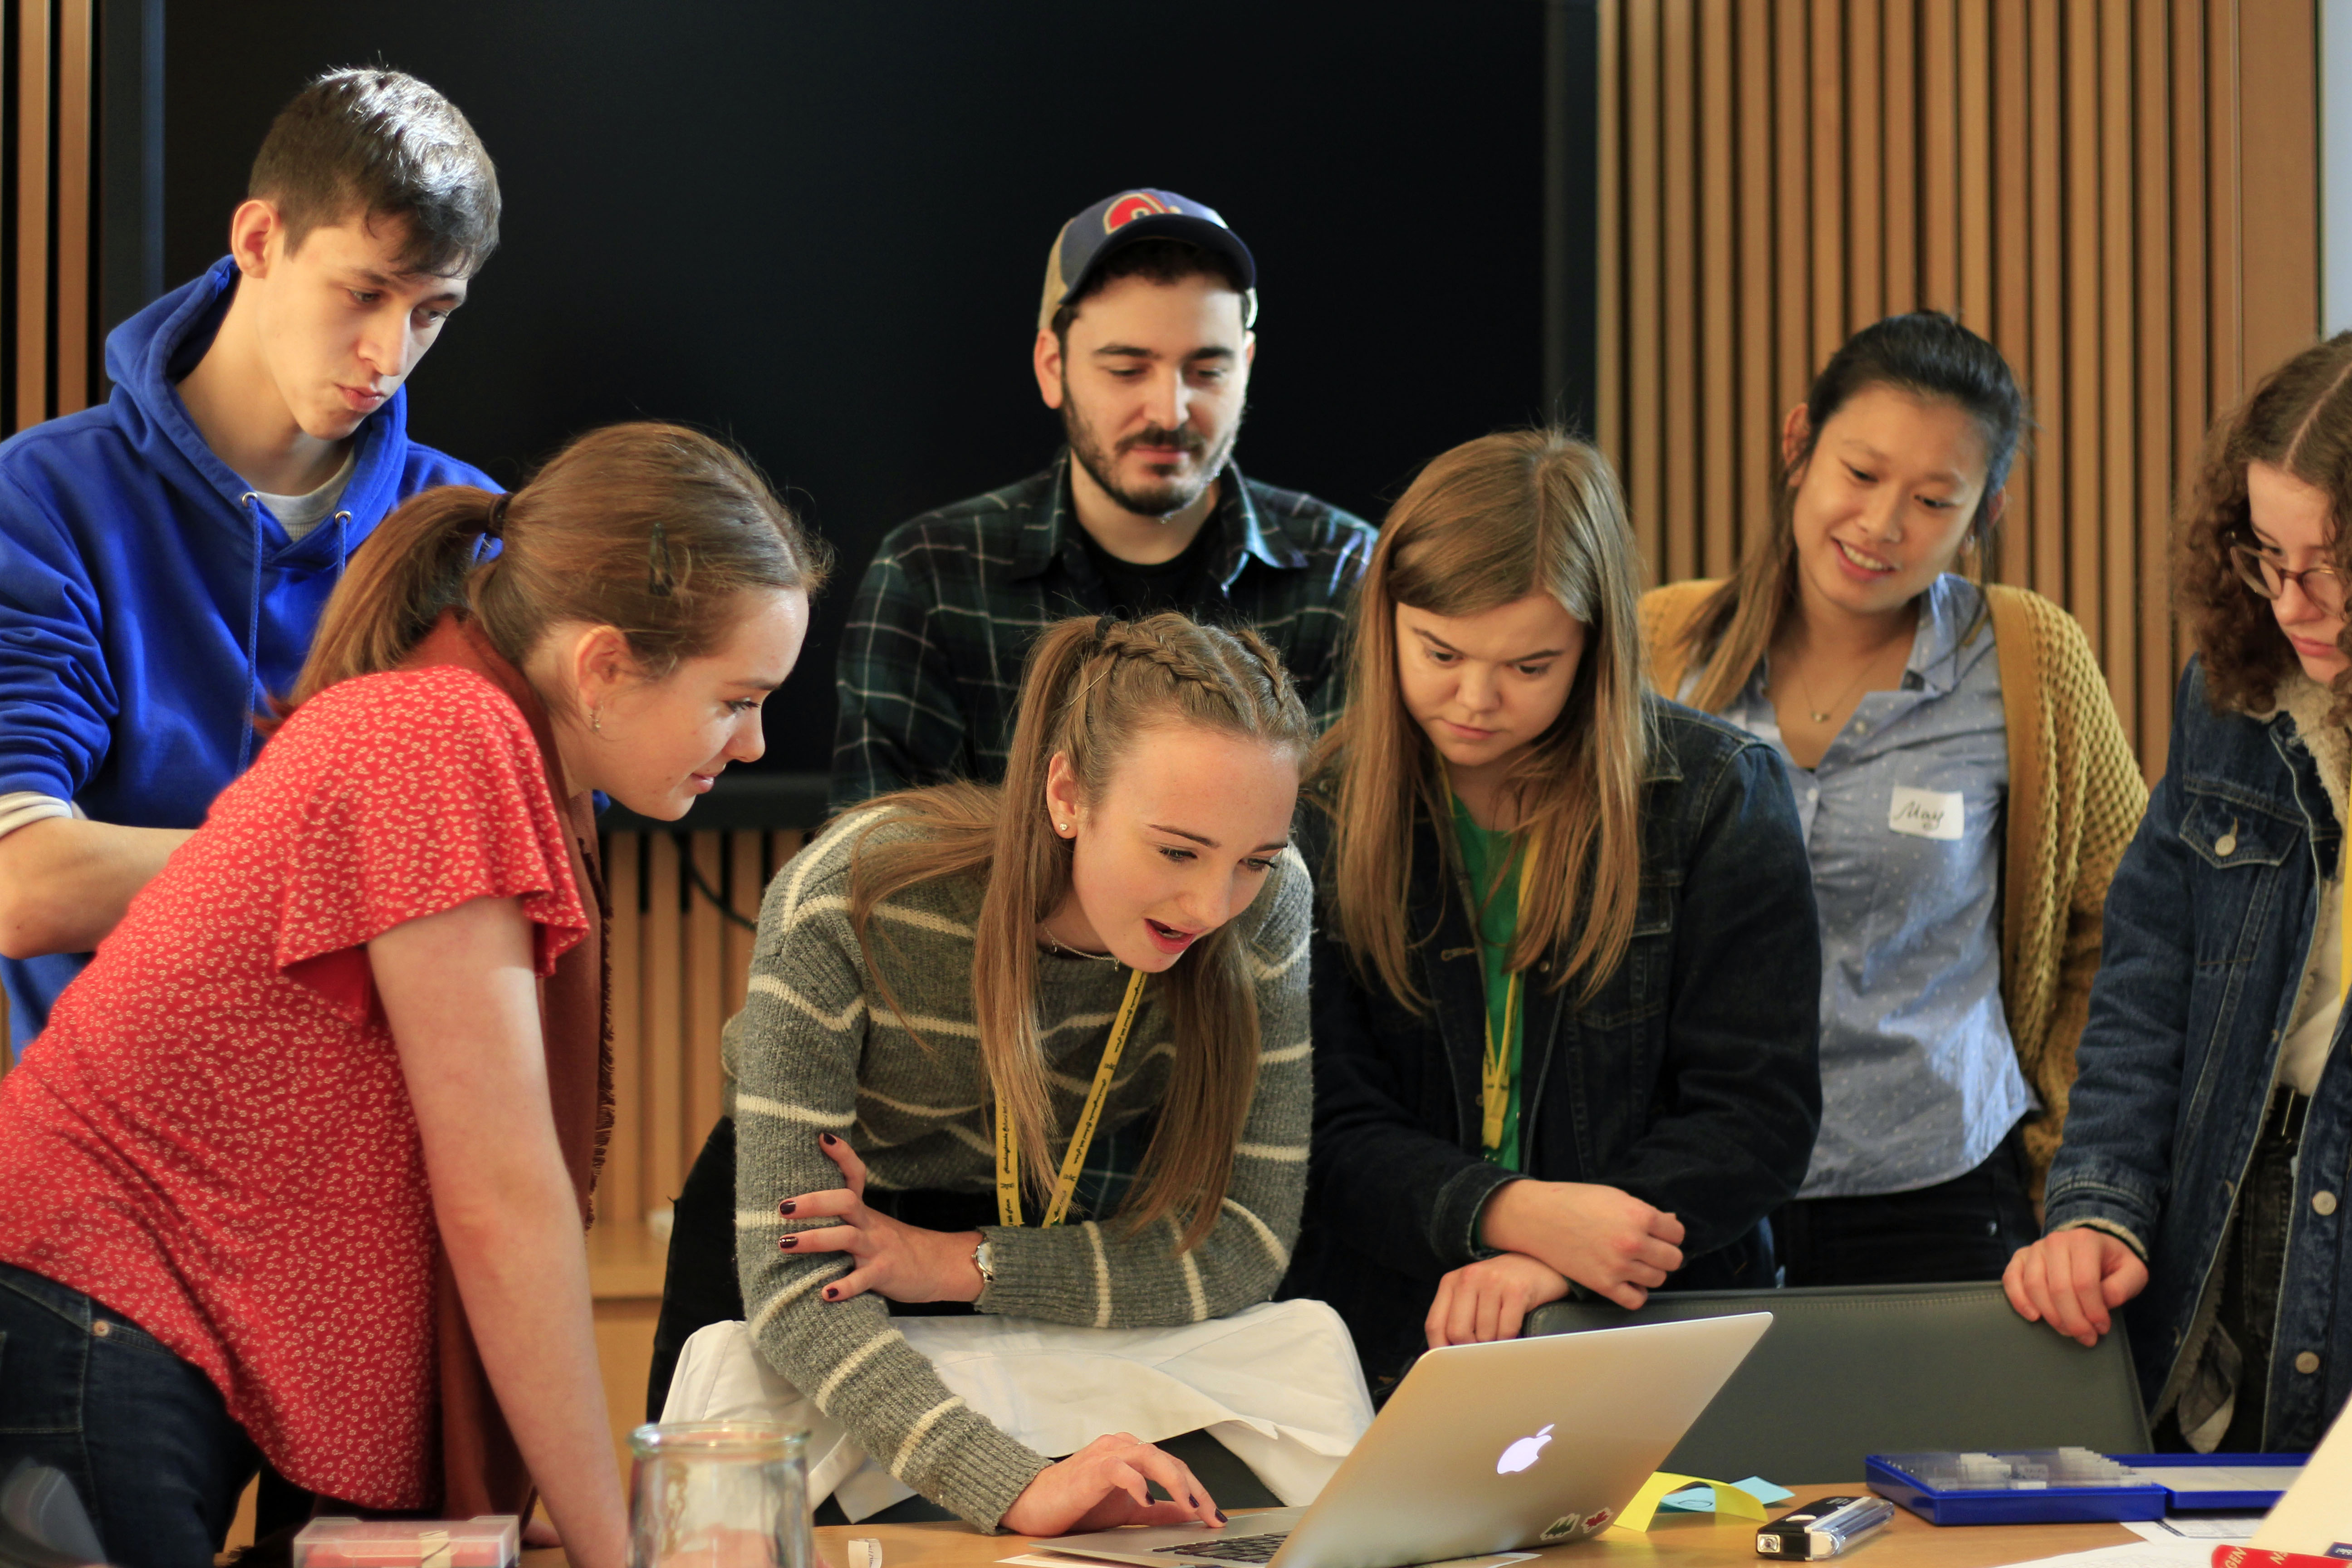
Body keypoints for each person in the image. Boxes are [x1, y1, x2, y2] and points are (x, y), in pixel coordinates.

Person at [0, 423, 826, 1568]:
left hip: (124, 1309)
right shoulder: (444, 737)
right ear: (601, 667)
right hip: (84, 1300)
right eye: (736, 699)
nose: (753, 745)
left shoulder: (468, 721)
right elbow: (502, 1196)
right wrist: (615, 1546)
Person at [654, 611, 1331, 1534]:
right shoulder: (853, 896)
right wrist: (1011, 1485)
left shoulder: (1272, 904)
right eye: (1176, 850)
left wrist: (960, 1265)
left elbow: (1244, 1240)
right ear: (1066, 794)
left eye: (1253, 860)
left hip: (1037, 1236)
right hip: (820, 1263)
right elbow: (794, 1286)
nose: (1213, 905)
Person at [1284, 429, 1823, 1385]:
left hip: (1657, 1324)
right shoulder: (1319, 803)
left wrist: (1557, 1253)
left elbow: (1756, 1116)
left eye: (1530, 667)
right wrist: (1510, 1213)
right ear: (1387, 620)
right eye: (1440, 653)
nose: (1476, 699)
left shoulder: (1717, 793)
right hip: (1389, 1331)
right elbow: (1323, 1125)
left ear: (1595, 645)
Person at [0, 67, 502, 1055]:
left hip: (376, 1147)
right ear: (259, 241)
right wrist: (361, 870)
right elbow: (24, 883)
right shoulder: (39, 500)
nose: (388, 354)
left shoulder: (468, 529)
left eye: (431, 313)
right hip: (111, 1146)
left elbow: (518, 869)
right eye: (363, 293)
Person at [1643, 313, 2145, 1287]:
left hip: (1939, 1187)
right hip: (1685, 1187)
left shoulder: (2031, 660)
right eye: (1861, 475)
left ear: (1983, 514)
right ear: (1799, 446)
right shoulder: (1664, 645)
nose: (1881, 526)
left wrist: (2067, 1158)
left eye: (1931, 499)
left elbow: (2118, 929)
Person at [2006, 334, 2352, 1454]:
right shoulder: (2235, 697)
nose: (2306, 603)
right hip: (2239, 1209)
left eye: (2342, 561)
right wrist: (2096, 1201)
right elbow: (2148, 980)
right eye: (2271, 555)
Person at [829, 187, 1377, 811]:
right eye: (1127, 369)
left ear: (1246, 366)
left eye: (1207, 372)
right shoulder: (930, 577)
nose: (1169, 412)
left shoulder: (1344, 575)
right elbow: (877, 869)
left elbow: (1343, 871)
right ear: (1051, 367)